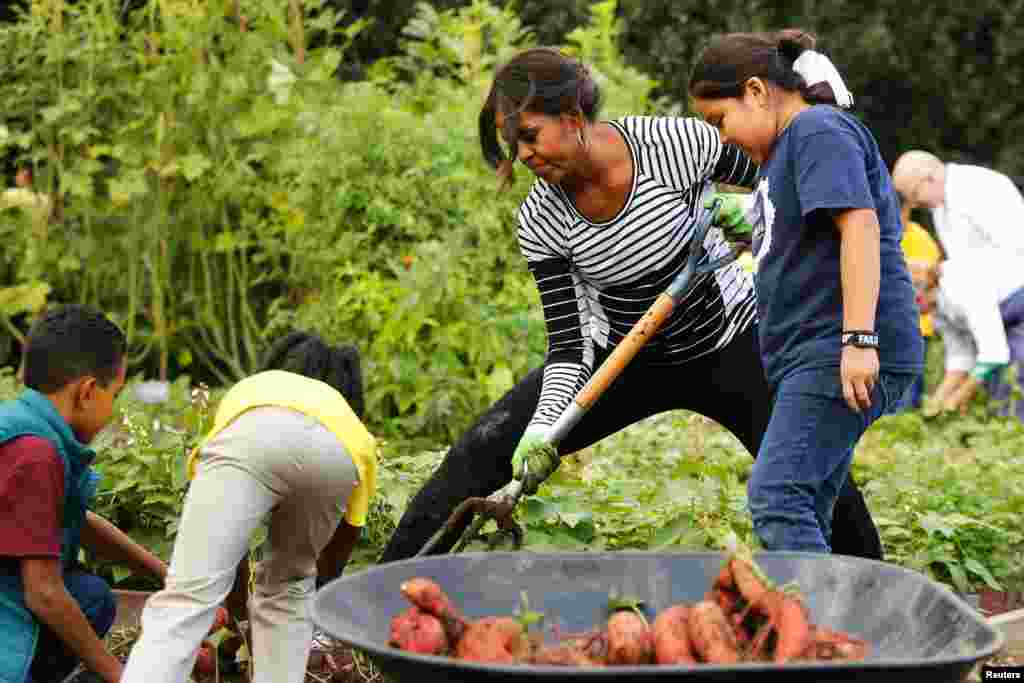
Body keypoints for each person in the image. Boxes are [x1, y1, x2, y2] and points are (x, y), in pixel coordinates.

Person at [379, 46, 886, 565]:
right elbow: (570, 345)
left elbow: (784, 171)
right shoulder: (541, 221)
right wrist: (543, 428)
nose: (525, 155)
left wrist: (751, 210)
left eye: (529, 136)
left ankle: (879, 600)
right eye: (514, 146)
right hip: (624, 358)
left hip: (731, 342)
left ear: (573, 117)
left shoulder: (670, 143)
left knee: (813, 469)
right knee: (481, 449)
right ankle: (379, 589)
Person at [687, 30, 923, 553]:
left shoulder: (816, 130)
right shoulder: (781, 157)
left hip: (839, 343)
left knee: (779, 497)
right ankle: (843, 623)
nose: (721, 137)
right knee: (810, 505)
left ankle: (817, 633)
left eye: (718, 120)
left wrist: (859, 339)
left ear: (755, 90)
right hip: (809, 353)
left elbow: (858, 226)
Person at [122, 331, 377, 683]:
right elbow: (340, 545)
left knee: (188, 598)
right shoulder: (349, 421)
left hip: (250, 434)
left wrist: (240, 615)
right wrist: (301, 580)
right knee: (289, 592)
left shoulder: (257, 388)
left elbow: (230, 547)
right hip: (338, 453)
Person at [0, 304, 168, 683]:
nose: (114, 409)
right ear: (88, 391)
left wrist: (162, 574)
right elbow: (43, 593)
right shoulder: (34, 453)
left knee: (91, 596)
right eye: (116, 394)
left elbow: (78, 521)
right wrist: (118, 674)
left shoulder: (25, 424)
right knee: (70, 597)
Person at [910, 258, 1024, 423]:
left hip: (1017, 300)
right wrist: (937, 399)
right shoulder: (936, 306)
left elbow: (994, 353)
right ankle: (999, 424)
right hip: (999, 310)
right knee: (992, 379)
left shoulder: (962, 291)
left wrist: (959, 396)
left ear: (918, 297)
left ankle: (1014, 432)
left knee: (1016, 367)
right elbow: (961, 356)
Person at [891, 150, 1024, 263]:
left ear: (931, 178)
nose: (914, 204)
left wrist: (942, 271)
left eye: (914, 194)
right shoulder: (940, 206)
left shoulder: (982, 186)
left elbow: (1014, 250)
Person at [898, 201, 943, 410]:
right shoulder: (873, 233)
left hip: (917, 325)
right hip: (883, 325)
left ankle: (905, 427)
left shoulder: (920, 238)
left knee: (909, 388)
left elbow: (929, 278)